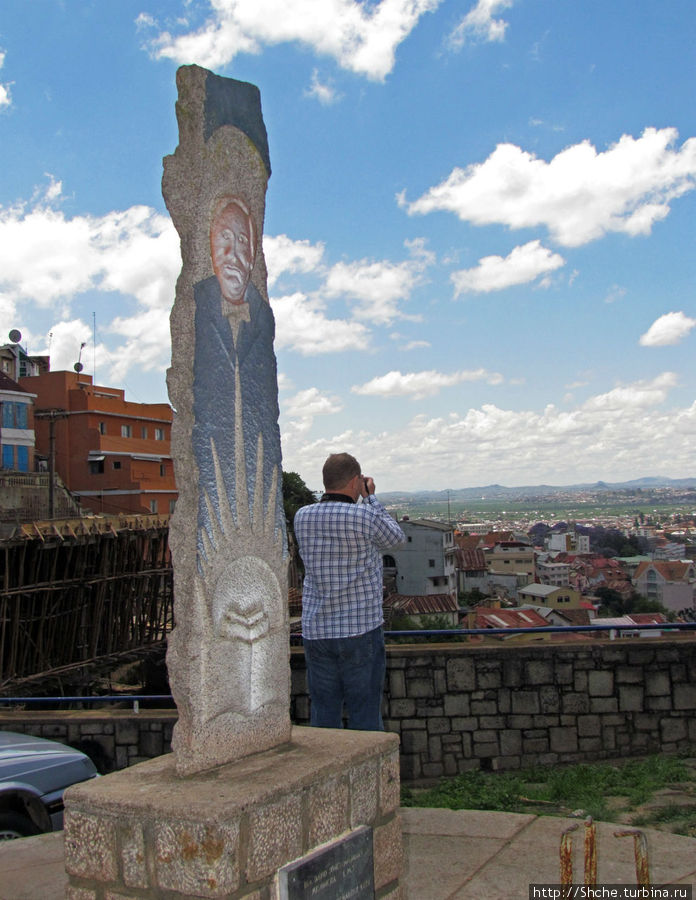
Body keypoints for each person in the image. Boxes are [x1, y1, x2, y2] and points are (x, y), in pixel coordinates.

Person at [192, 196, 285, 557]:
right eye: (224, 240)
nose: (233, 254)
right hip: (212, 523)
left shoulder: (262, 316)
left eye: (243, 242)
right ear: (210, 247)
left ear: (254, 252)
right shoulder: (197, 303)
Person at [294, 453, 405, 730]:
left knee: (323, 712)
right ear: (356, 481)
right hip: (360, 630)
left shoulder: (302, 517)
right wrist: (371, 498)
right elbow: (397, 539)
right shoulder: (364, 516)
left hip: (317, 630)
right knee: (365, 712)